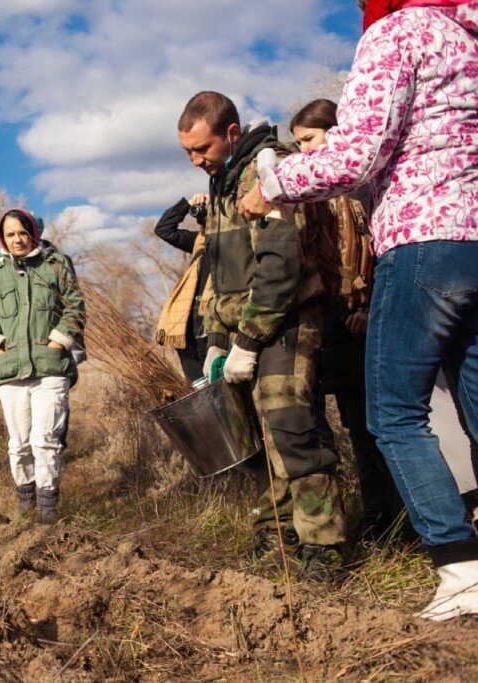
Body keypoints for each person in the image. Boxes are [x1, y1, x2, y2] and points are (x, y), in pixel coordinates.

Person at [240, 0, 478, 619]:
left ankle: (460, 568)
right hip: (473, 239)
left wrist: (270, 187)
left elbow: (359, 150)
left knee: (394, 412)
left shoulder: (400, 30)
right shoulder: (467, 35)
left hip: (424, 237)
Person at [176, 91, 347, 581]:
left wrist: (249, 340)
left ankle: (324, 545)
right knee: (257, 440)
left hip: (286, 322)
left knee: (292, 430)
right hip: (239, 329)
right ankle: (277, 534)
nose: (194, 160)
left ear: (231, 133)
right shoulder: (223, 180)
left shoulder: (271, 168)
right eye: (186, 152)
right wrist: (214, 337)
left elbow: (281, 264)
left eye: (201, 149)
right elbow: (214, 268)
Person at [289, 98, 403, 541]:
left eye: (310, 140)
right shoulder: (317, 194)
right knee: (355, 431)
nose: (304, 153)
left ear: (336, 133)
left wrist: (371, 306)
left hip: (367, 325)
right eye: (297, 144)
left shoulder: (363, 189)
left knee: (379, 427)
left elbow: (383, 253)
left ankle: (401, 519)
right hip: (331, 328)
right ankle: (378, 520)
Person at [0, 208, 85, 524]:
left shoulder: (56, 265)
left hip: (50, 367)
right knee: (20, 444)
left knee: (46, 441)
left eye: (22, 233)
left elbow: (76, 306)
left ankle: (48, 516)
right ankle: (25, 514)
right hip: (10, 371)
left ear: (34, 233)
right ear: (3, 238)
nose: (17, 240)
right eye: (10, 234)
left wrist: (57, 343)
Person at [153, 193, 209, 382]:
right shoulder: (198, 243)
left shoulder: (235, 245)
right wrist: (187, 205)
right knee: (200, 389)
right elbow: (163, 230)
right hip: (187, 329)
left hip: (212, 327)